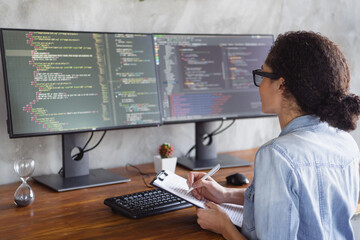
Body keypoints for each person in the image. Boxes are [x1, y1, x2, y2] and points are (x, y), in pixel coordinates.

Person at [187, 31, 360, 239]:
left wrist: (223, 226)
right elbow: (299, 201)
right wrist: (224, 195)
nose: (259, 86)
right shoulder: (345, 142)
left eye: (262, 75)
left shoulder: (277, 155)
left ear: (280, 84)